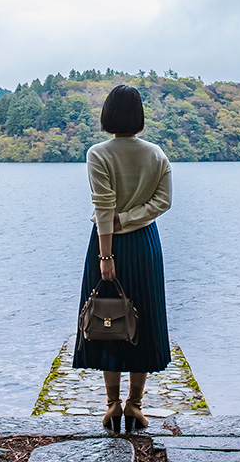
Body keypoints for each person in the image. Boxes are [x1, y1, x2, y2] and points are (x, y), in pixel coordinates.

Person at [72, 84, 172, 433]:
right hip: (144, 243)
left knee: (107, 320)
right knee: (141, 320)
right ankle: (136, 405)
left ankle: (112, 405)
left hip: (106, 243)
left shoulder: (98, 153)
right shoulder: (156, 154)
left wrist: (106, 254)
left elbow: (103, 207)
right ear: (139, 116)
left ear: (108, 115)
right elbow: (163, 203)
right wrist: (130, 220)